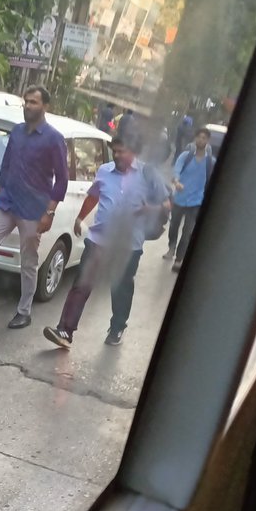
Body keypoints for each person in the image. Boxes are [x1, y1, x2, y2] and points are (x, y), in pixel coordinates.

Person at [43, 133, 169, 350]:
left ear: (134, 152)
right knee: (81, 284)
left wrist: (149, 209)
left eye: (122, 151)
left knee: (120, 287)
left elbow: (167, 204)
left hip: (128, 244)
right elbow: (94, 195)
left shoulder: (148, 174)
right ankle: (65, 330)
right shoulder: (104, 171)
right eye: (115, 151)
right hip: (98, 239)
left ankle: (118, 326)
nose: (117, 155)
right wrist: (80, 217)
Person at [0, 84, 68, 330]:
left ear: (45, 106)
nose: (28, 106)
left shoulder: (54, 139)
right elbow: (6, 165)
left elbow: (62, 180)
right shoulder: (16, 132)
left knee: (28, 262)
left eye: (34, 102)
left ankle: (24, 311)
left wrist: (49, 213)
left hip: (33, 210)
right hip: (6, 203)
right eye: (26, 101)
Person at [163, 126, 215, 272]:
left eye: (204, 138)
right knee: (173, 226)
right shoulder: (186, 156)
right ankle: (171, 247)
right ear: (195, 138)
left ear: (208, 141)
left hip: (196, 202)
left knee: (187, 232)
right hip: (180, 198)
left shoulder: (210, 161)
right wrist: (177, 182)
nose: (201, 139)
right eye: (199, 137)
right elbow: (176, 170)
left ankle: (179, 260)